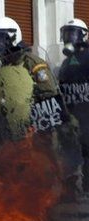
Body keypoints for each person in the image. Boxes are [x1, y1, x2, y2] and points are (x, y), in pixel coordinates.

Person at [0, 17, 80, 221]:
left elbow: (51, 100)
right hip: (12, 141)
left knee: (35, 192)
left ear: (13, 38)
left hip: (37, 140)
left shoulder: (33, 63)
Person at [56, 19, 89, 192]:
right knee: (70, 151)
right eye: (66, 34)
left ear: (83, 35)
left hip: (87, 114)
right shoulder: (66, 63)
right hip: (71, 115)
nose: (69, 38)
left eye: (73, 33)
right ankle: (72, 188)